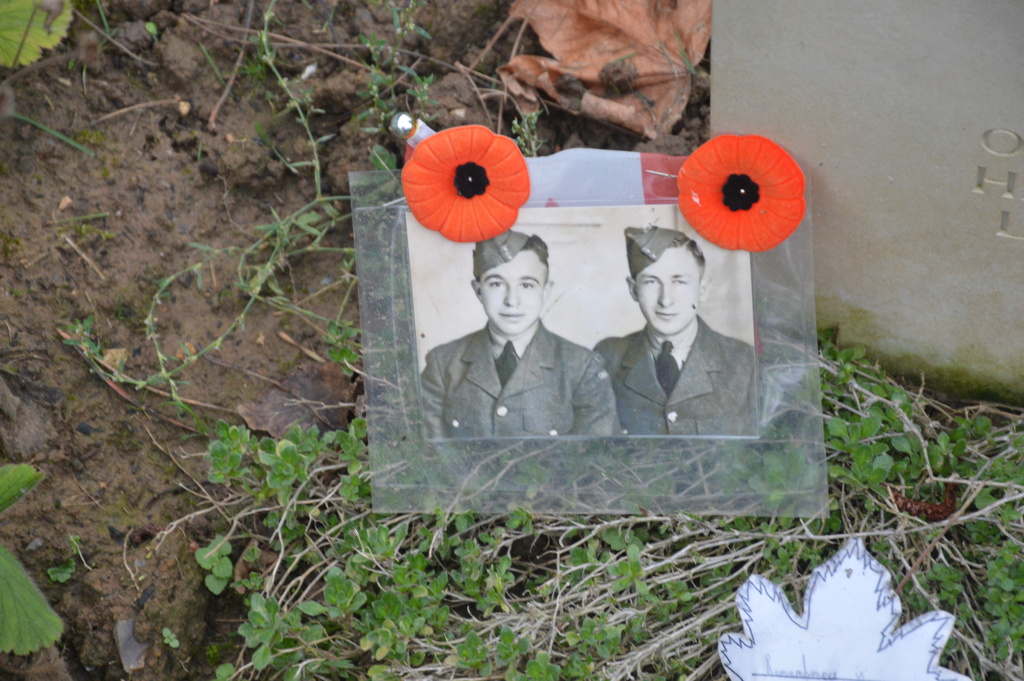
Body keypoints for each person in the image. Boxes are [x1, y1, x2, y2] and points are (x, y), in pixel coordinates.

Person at [420, 230, 618, 439]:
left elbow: (598, 458)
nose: (512, 300)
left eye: (527, 285)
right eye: (496, 284)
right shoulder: (443, 365)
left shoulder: (583, 369)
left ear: (545, 291)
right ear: (478, 291)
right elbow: (429, 456)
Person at [595, 226, 757, 436]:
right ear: (634, 290)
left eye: (679, 281)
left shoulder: (744, 362)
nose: (666, 300)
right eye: (652, 282)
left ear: (702, 289)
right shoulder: (607, 358)